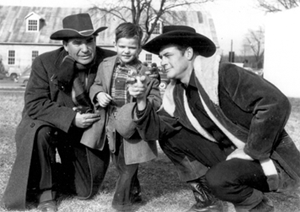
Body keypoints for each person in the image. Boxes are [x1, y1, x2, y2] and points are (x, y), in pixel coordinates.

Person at [124, 25, 300, 212]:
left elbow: (275, 103)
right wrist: (141, 99)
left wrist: (251, 151)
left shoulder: (225, 74)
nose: (162, 62)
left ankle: (259, 207)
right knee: (171, 136)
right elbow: (154, 131)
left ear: (189, 53)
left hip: (270, 160)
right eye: (161, 57)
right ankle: (208, 200)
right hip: (234, 155)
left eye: (167, 55)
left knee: (219, 179)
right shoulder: (176, 94)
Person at [2, 13, 116, 212]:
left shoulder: (109, 60)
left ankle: (38, 176)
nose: (85, 48)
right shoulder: (45, 62)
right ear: (65, 45)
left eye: (90, 41)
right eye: (77, 42)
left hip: (86, 132)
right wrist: (71, 118)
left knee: (85, 191)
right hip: (49, 124)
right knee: (40, 132)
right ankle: (46, 193)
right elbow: (35, 104)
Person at [89, 22, 161, 211]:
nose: (126, 51)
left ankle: (121, 204)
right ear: (115, 45)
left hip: (135, 126)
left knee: (129, 164)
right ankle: (135, 193)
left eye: (132, 47)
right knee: (119, 163)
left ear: (139, 47)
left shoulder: (147, 72)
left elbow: (156, 100)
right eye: (122, 46)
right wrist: (98, 94)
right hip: (111, 124)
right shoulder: (105, 65)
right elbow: (95, 85)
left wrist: (142, 99)